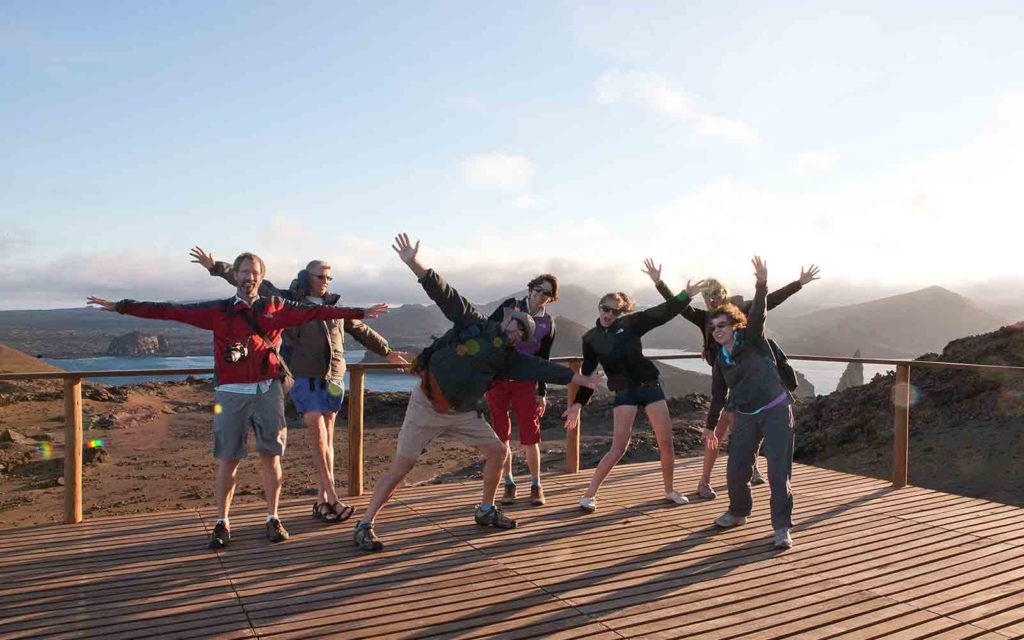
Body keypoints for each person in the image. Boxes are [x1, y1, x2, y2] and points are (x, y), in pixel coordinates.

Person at [87, 252, 388, 548]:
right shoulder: (219, 310)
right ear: (237, 275)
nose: (250, 277)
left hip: (268, 389)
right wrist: (122, 307)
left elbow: (320, 312)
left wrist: (360, 312)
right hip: (231, 392)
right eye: (244, 272)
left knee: (271, 457)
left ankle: (273, 517)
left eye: (255, 272)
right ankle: (222, 522)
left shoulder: (277, 307)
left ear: (261, 276)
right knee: (228, 458)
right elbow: (172, 310)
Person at [352, 234, 604, 552]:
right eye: (516, 326)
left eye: (523, 334)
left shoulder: (508, 359)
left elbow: (544, 369)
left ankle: (485, 510)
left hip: (462, 413)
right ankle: (365, 524)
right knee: (402, 468)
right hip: (426, 405)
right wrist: (413, 263)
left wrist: (582, 381)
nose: (516, 333)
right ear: (508, 318)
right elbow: (444, 293)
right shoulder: (473, 321)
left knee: (498, 452)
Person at [189, 247, 408, 524]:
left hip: (333, 378)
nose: (326, 281)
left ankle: (322, 502)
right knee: (318, 435)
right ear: (308, 276)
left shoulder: (334, 306)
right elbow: (254, 282)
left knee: (327, 439)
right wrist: (216, 266)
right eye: (321, 276)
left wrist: (387, 352)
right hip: (304, 377)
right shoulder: (288, 302)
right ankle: (333, 496)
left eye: (329, 277)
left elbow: (360, 330)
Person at [642, 259, 819, 499]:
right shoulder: (705, 318)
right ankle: (704, 482)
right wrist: (659, 283)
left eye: (716, 294)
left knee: (748, 429)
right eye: (708, 296)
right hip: (727, 382)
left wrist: (798, 283)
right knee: (718, 430)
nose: (712, 299)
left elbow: (769, 301)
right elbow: (678, 308)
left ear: (724, 294)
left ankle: (749, 468)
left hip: (749, 384)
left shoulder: (741, 313)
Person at [563, 276, 704, 513]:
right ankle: (589, 494)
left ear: (621, 313)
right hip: (624, 392)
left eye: (615, 312)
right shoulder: (591, 338)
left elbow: (663, 312)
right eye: (605, 309)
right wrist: (578, 404)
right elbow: (587, 374)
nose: (609, 314)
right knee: (619, 447)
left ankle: (670, 490)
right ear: (599, 307)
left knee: (666, 442)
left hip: (650, 386)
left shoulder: (631, 323)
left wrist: (685, 295)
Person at [704, 256, 796, 549]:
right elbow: (718, 395)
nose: (718, 330)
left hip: (775, 408)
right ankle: (738, 512)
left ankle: (781, 527)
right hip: (745, 413)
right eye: (713, 327)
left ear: (735, 325)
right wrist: (709, 428)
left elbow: (758, 314)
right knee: (736, 467)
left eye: (723, 325)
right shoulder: (721, 359)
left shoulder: (752, 338)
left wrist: (762, 284)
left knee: (778, 470)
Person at [486, 274, 558, 506]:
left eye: (546, 293)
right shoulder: (509, 307)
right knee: (501, 435)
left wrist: (542, 392)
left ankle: (536, 485)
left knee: (530, 435)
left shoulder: (548, 324)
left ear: (551, 298)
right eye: (537, 289)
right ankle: (509, 483)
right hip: (498, 380)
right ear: (530, 289)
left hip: (526, 383)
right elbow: (487, 331)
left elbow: (543, 360)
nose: (540, 295)